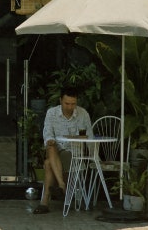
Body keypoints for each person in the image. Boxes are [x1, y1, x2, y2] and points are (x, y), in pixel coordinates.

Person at [33, 86, 93, 215]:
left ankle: (45, 202)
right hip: (57, 151)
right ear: (60, 100)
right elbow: (47, 133)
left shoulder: (83, 114)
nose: (70, 107)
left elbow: (90, 138)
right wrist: (50, 140)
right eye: (67, 103)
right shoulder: (52, 113)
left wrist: (91, 155)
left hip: (74, 154)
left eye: (73, 104)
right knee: (50, 146)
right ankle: (61, 185)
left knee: (48, 163)